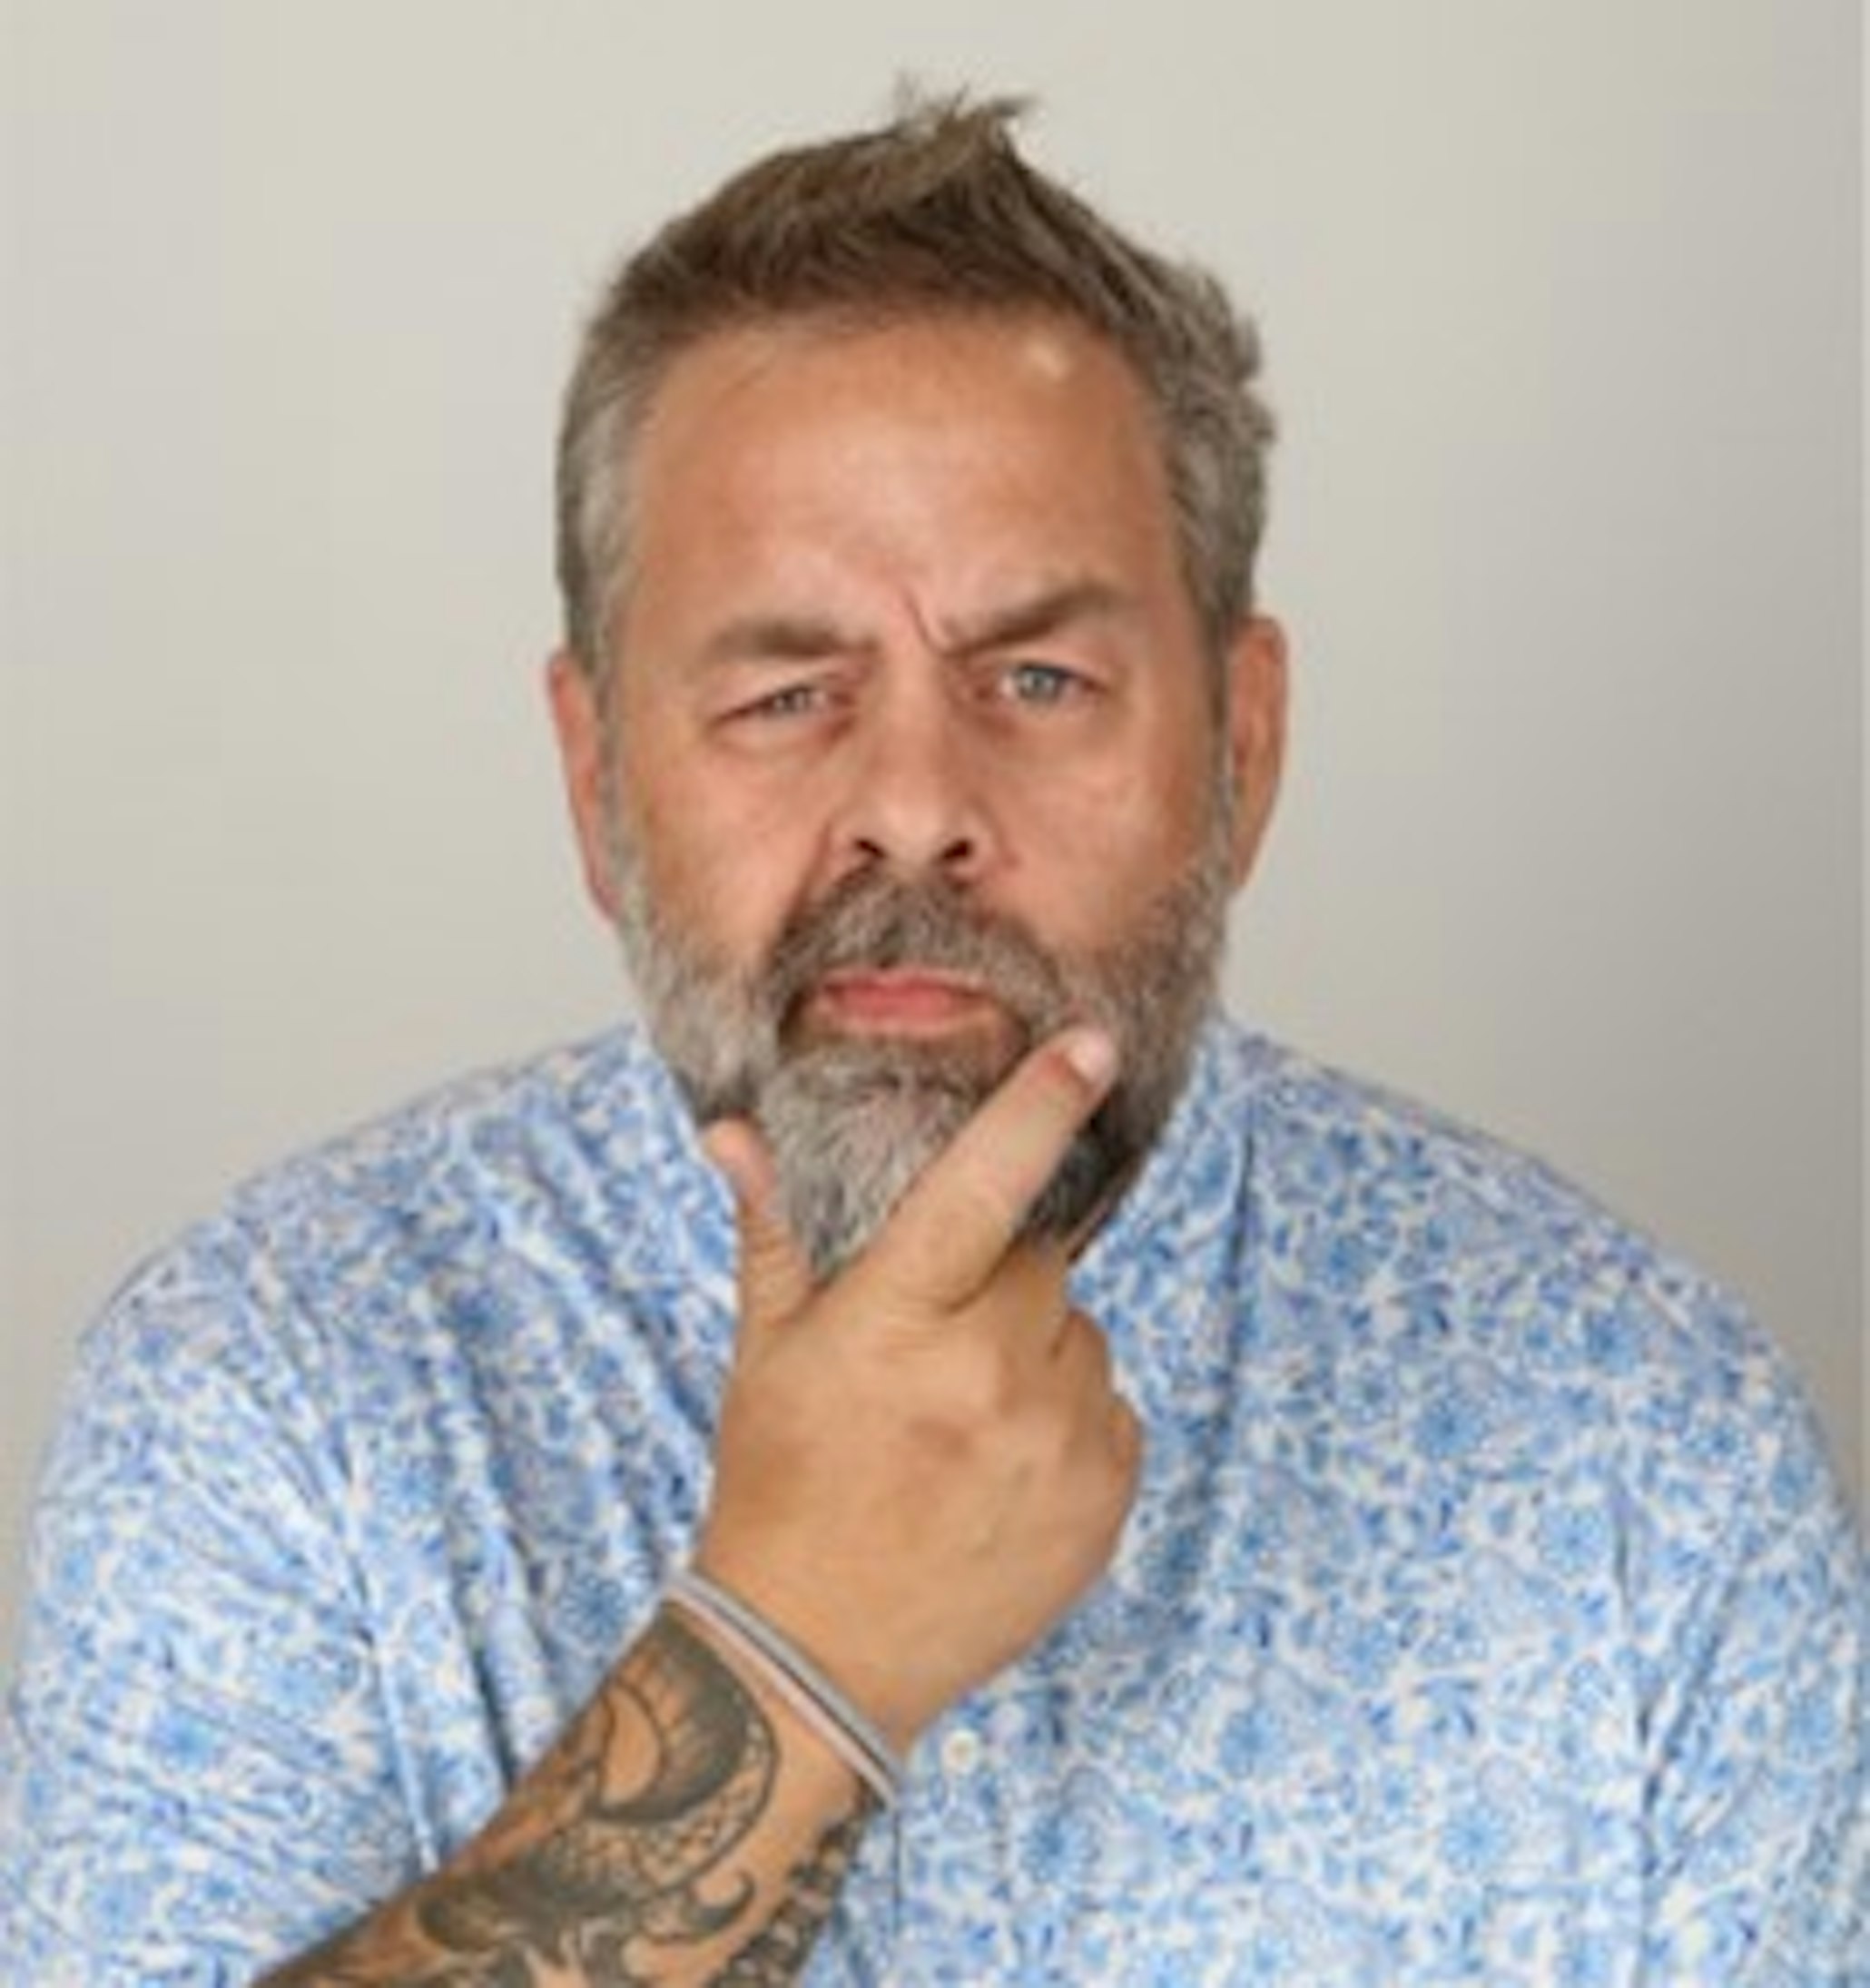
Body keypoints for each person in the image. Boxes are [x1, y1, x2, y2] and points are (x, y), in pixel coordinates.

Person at [2, 93, 1865, 1986]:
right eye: (786, 693)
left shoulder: (1646, 1452)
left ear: (1243, 746)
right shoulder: (269, 1395)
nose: (912, 805)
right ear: (594, 777)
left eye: (1039, 679)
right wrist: (794, 1652)